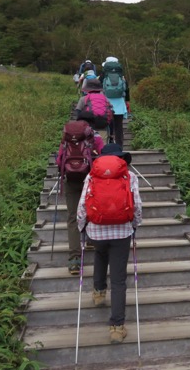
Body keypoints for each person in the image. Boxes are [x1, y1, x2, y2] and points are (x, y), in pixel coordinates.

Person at [77, 143, 142, 344]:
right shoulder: (130, 176)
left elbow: (82, 206)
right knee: (119, 280)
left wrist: (82, 227)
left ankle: (98, 292)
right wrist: (135, 225)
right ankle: (116, 327)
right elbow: (137, 206)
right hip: (122, 231)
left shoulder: (91, 176)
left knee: (99, 254)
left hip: (96, 230)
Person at [55, 116, 105, 275]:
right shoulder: (95, 137)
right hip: (90, 180)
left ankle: (75, 259)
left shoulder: (67, 139)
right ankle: (90, 240)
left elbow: (59, 161)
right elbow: (104, 158)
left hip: (70, 180)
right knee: (91, 209)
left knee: (72, 217)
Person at [99, 57, 129, 146]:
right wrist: (127, 101)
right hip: (119, 104)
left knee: (105, 125)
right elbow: (126, 88)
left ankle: (106, 145)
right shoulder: (121, 75)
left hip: (106, 103)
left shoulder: (103, 75)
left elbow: (99, 87)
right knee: (119, 126)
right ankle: (119, 146)